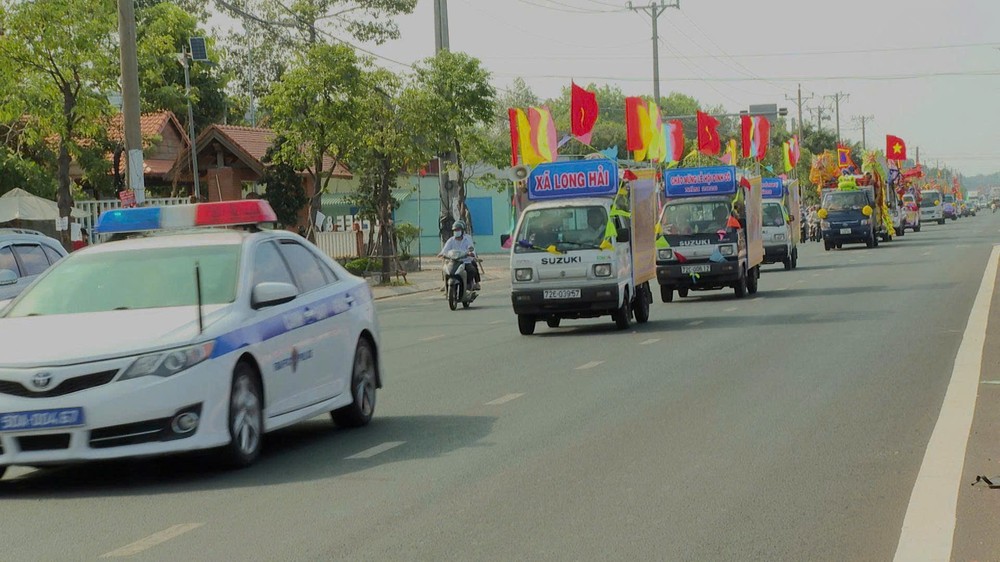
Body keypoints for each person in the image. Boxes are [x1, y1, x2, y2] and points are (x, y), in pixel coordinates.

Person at [438, 220, 480, 290]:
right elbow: (445, 250)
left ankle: (468, 284)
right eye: (455, 230)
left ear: (462, 231)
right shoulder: (451, 240)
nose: (456, 231)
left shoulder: (467, 239)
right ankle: (446, 285)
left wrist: (471, 254)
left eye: (458, 230)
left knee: (471, 270)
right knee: (445, 269)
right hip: (453, 262)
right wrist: (441, 254)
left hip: (465, 261)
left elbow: (471, 248)